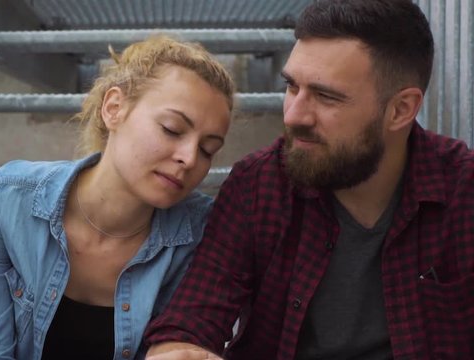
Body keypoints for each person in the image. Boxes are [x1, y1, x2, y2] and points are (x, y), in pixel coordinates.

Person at [144, 0, 474, 359]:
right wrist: (179, 351)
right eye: (291, 87)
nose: (293, 115)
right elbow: (192, 320)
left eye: (326, 96)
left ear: (400, 110)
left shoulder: (463, 192)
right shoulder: (259, 185)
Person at [0, 35, 235, 360]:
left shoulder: (202, 231)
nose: (190, 159)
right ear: (113, 108)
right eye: (172, 129)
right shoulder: (8, 199)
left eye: (208, 150)